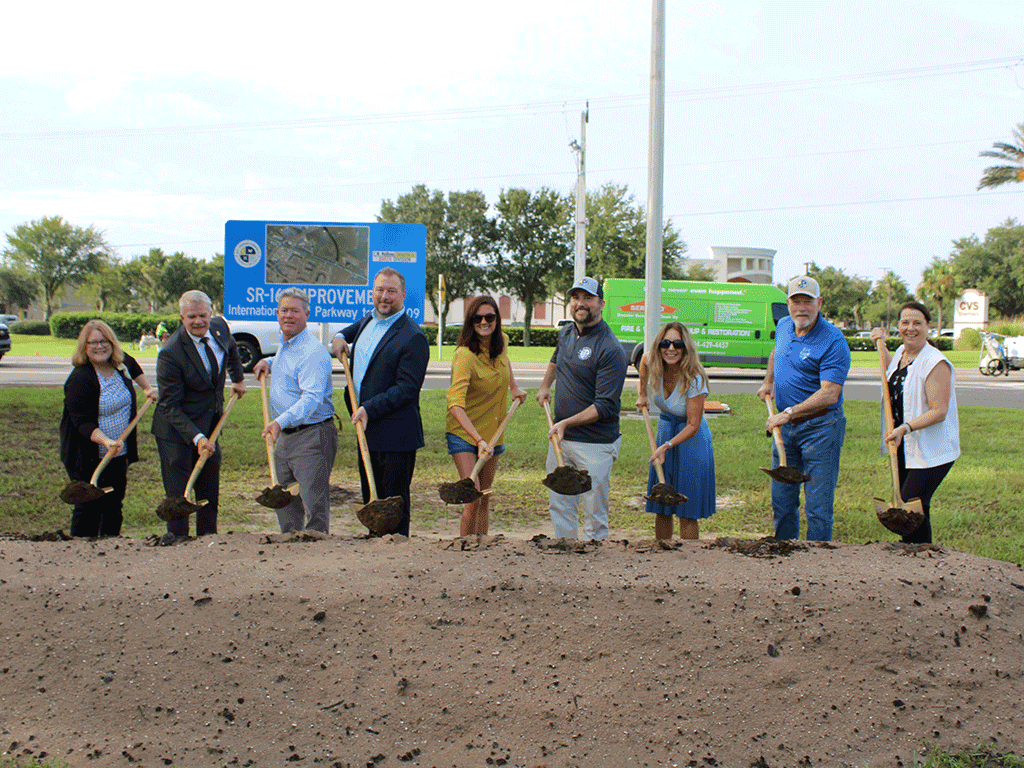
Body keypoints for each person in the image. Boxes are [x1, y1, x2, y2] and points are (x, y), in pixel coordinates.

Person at [332, 268, 429, 537]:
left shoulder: (413, 336)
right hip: (367, 428)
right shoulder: (369, 320)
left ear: (403, 295)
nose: (384, 297)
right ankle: (375, 552)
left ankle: (395, 557)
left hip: (396, 434)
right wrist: (338, 337)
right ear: (372, 293)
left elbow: (407, 388)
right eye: (379, 290)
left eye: (391, 291)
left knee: (393, 504)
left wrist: (368, 408)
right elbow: (345, 333)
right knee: (371, 499)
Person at [757, 275, 850, 541]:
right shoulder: (786, 325)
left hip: (821, 429)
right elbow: (777, 351)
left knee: (818, 507)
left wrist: (788, 413)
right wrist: (769, 381)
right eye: (796, 301)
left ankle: (816, 566)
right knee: (782, 502)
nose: (801, 308)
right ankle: (785, 554)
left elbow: (830, 394)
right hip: (785, 430)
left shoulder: (833, 340)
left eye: (807, 302)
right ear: (788, 304)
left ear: (819, 303)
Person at [536, 276, 627, 541]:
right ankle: (565, 556)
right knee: (560, 504)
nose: (580, 303)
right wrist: (544, 385)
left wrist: (564, 423)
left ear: (601, 303)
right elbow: (556, 359)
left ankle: (593, 570)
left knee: (593, 511)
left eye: (588, 298)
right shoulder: (566, 333)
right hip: (562, 441)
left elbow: (605, 406)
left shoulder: (610, 349)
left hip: (595, 445)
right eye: (576, 297)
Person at [152, 290, 246, 540]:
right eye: (191, 316)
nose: (198, 322)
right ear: (182, 318)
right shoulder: (171, 354)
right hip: (176, 432)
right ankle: (178, 540)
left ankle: (207, 539)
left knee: (208, 490)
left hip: (210, 424)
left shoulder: (219, 328)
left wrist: (237, 379)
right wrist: (197, 438)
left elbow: (232, 349)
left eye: (202, 315)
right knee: (179, 496)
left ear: (211, 313)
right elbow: (169, 406)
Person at [869, 302, 959, 544]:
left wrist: (905, 427)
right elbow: (892, 371)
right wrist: (882, 345)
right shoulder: (901, 353)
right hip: (904, 445)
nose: (911, 328)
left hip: (932, 449)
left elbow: (939, 411)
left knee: (909, 505)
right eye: (905, 322)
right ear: (898, 326)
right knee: (918, 508)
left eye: (917, 322)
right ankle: (919, 555)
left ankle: (918, 556)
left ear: (928, 326)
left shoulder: (935, 362)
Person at [60, 320, 157, 537]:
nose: (99, 346)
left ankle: (111, 550)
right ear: (84, 347)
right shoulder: (80, 379)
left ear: (112, 344)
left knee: (114, 504)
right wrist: (106, 441)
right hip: (86, 455)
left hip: (118, 452)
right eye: (93, 342)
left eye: (104, 341)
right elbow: (82, 423)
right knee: (88, 505)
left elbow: (133, 365)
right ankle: (81, 551)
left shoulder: (119, 365)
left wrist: (147, 388)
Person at [253, 288, 337, 534]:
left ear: (307, 314)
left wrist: (279, 421)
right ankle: (289, 551)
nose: (288, 315)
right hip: (285, 436)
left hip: (311, 436)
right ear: (277, 314)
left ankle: (314, 554)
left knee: (313, 502)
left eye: (295, 311)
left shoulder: (313, 351)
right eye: (284, 310)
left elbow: (311, 398)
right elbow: (287, 363)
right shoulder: (286, 344)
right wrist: (267, 362)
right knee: (285, 500)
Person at [446, 296, 528, 536]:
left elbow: (504, 360)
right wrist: (478, 440)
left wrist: (513, 387)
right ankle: (465, 548)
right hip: (465, 434)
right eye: (478, 318)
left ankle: (482, 548)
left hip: (494, 433)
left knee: (485, 498)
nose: (484, 322)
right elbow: (455, 405)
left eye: (489, 317)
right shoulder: (465, 356)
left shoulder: (501, 341)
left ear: (496, 320)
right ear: (471, 322)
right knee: (472, 498)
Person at [636, 322, 716, 540]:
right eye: (666, 343)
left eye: (677, 344)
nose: (671, 348)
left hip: (691, 440)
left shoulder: (694, 378)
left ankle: (687, 560)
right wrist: (642, 393)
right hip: (665, 431)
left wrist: (667, 445)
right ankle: (663, 555)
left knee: (686, 510)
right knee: (662, 504)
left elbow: (693, 424)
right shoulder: (654, 362)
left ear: (685, 348)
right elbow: (643, 362)